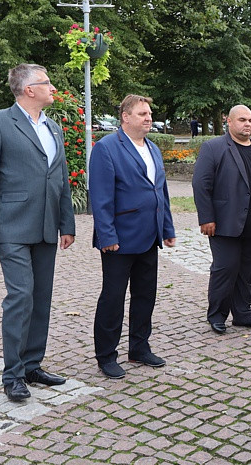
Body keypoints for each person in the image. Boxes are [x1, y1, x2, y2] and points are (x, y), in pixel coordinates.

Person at [0, 63, 76, 402]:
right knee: (21, 296)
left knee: (41, 298)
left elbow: (59, 179)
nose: (52, 88)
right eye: (47, 83)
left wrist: (67, 223)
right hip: (11, 226)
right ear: (30, 89)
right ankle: (12, 375)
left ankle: (32, 365)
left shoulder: (54, 128)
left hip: (46, 226)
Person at [89, 94, 176, 379]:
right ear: (125, 117)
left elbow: (160, 191)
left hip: (149, 236)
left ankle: (139, 347)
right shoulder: (107, 148)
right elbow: (100, 198)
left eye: (149, 114)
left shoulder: (152, 148)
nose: (148, 118)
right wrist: (107, 236)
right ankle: (106, 355)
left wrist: (167, 229)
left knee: (145, 296)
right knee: (113, 298)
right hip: (120, 239)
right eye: (142, 114)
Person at [192, 105, 251, 334]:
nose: (247, 124)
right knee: (225, 268)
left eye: (250, 120)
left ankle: (243, 313)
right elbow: (201, 184)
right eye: (242, 119)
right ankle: (217, 315)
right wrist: (206, 217)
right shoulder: (213, 147)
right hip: (225, 223)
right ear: (228, 122)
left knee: (247, 271)